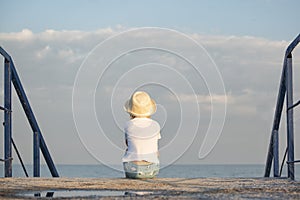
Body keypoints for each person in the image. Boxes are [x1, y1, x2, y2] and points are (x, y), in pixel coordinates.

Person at [122, 91, 161, 179]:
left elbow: (127, 144)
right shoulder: (156, 125)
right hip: (152, 168)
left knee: (129, 150)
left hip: (132, 168)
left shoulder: (128, 125)